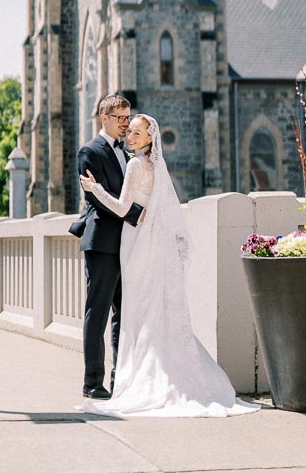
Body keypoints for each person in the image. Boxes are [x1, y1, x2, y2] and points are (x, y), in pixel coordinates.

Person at [79, 113, 260, 417]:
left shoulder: (136, 164)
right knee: (151, 309)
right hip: (151, 242)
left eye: (136, 133)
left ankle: (138, 378)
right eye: (130, 132)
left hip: (136, 244)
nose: (130, 137)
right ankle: (157, 373)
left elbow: (123, 207)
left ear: (150, 138)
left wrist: (95, 189)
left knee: (139, 311)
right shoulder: (157, 164)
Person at [71, 93, 143, 399]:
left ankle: (119, 379)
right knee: (97, 313)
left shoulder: (127, 155)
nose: (126, 125)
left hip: (125, 247)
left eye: (128, 118)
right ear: (105, 118)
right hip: (101, 245)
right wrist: (140, 215)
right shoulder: (89, 152)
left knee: (123, 315)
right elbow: (99, 199)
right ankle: (92, 383)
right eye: (120, 119)